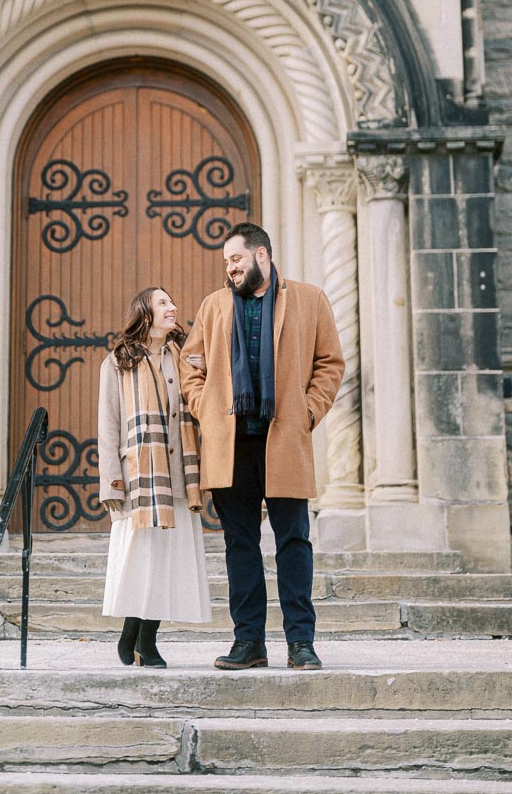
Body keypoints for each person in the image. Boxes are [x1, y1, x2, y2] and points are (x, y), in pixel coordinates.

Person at [179, 222, 344, 672]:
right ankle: (248, 641)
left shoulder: (310, 300)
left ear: (262, 257)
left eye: (235, 259)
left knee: (293, 542)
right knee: (241, 545)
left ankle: (301, 644)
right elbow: (190, 364)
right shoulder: (214, 306)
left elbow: (330, 363)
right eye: (226, 262)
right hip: (230, 444)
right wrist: (203, 406)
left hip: (285, 439)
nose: (229, 268)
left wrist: (308, 412)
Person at [97, 285, 212, 667]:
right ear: (144, 312)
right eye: (163, 302)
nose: (173, 307)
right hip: (140, 475)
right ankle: (134, 635)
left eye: (173, 302)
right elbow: (108, 423)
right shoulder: (118, 360)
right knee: (141, 558)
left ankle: (145, 639)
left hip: (178, 472)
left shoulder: (183, 357)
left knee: (166, 561)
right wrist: (111, 478)